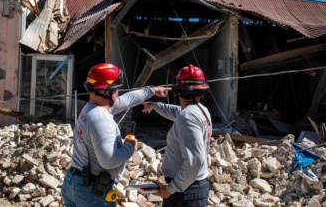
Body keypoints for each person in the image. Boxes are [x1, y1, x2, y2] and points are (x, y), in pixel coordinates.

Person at [61, 63, 171, 207]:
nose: (118, 93)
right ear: (106, 92)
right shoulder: (101, 120)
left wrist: (152, 91)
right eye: (116, 89)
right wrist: (130, 147)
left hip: (74, 182)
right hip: (92, 191)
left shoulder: (91, 109)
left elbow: (127, 100)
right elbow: (108, 161)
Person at [142, 64, 212, 207]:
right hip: (188, 188)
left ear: (177, 91)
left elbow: (195, 161)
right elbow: (175, 111)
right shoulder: (199, 110)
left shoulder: (187, 117)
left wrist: (171, 189)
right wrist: (154, 105)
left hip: (185, 192)